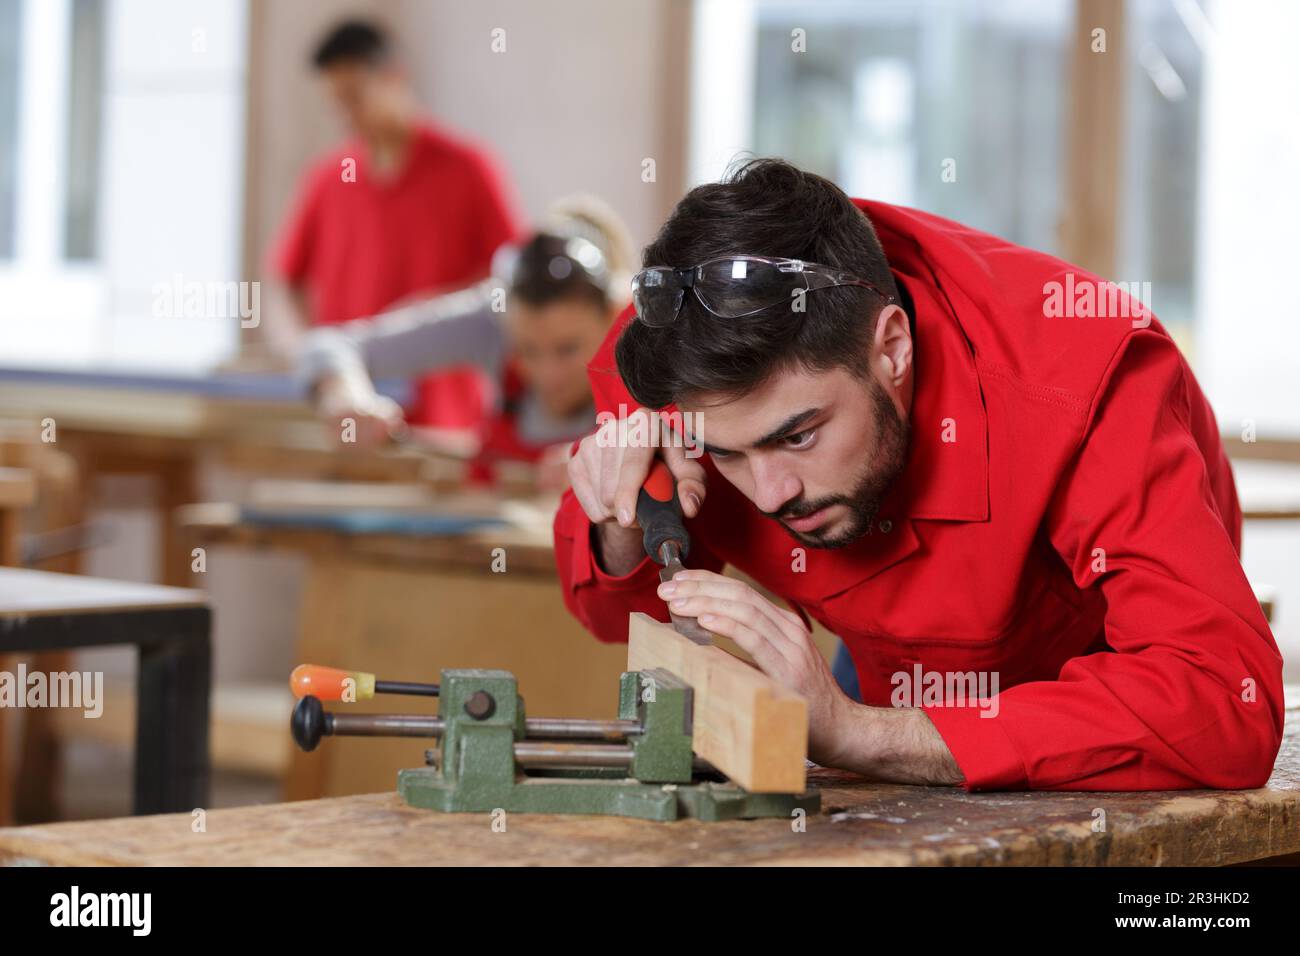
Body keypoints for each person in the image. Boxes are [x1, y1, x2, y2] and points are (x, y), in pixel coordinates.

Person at [556, 159, 1283, 791]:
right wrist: (620, 526)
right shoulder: (680, 350)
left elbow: (1222, 704)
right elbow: (611, 618)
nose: (770, 492)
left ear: (892, 349)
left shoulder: (1086, 390)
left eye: (799, 435)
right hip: (867, 684)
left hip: (1095, 696)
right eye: (729, 454)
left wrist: (859, 735)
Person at [272, 18, 520, 431]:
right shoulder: (327, 178)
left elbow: (513, 282)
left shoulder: (468, 168)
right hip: (346, 414)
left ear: (395, 76)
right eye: (336, 102)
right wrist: (306, 351)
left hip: (443, 416)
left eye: (354, 97)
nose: (346, 115)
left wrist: (433, 312)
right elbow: (284, 282)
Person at [299, 197, 633, 490]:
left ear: (615, 316)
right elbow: (332, 344)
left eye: (567, 349)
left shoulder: (645, 337)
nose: (548, 374)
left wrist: (612, 455)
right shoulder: (494, 317)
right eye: (528, 350)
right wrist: (346, 397)